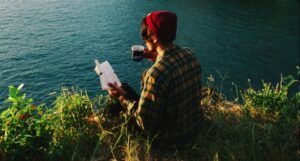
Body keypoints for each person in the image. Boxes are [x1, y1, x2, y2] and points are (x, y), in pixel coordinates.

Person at [107, 11, 203, 149]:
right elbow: (170, 71)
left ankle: (105, 124)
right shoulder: (190, 54)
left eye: (145, 36)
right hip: (193, 129)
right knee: (125, 88)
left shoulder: (155, 74)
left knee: (121, 92)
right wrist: (156, 58)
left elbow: (144, 124)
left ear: (154, 37)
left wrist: (122, 99)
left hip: (170, 140)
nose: (144, 40)